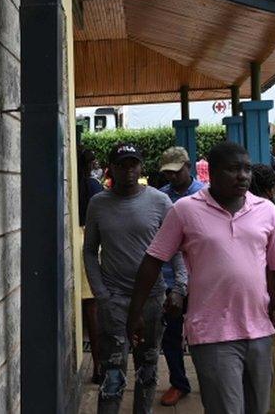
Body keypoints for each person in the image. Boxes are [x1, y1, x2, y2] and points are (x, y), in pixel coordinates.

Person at [127, 142, 275, 414]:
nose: (243, 176)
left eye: (247, 169)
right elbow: (152, 260)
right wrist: (136, 312)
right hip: (212, 333)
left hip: (259, 331)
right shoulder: (185, 210)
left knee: (258, 409)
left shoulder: (266, 210)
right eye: (233, 169)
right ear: (211, 172)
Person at [84, 143, 188, 413]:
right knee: (112, 374)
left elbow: (176, 248)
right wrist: (101, 295)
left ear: (141, 167)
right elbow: (89, 252)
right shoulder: (99, 204)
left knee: (148, 369)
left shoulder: (159, 201)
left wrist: (179, 286)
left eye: (133, 164)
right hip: (115, 301)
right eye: (122, 165)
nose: (128, 170)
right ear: (111, 169)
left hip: (153, 300)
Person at [156, 147, 206, 406]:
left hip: (201, 277)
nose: (172, 177)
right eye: (168, 173)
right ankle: (178, 382)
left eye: (177, 172)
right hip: (169, 277)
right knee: (171, 334)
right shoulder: (161, 198)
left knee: (205, 334)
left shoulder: (204, 196)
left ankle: (211, 381)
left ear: (189, 166)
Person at [78, 148, 107, 383]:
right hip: (87, 243)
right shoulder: (93, 186)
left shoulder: (69, 184)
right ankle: (99, 367)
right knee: (93, 308)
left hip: (67, 241)